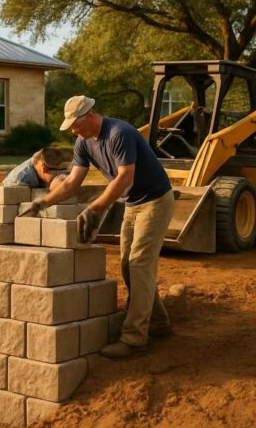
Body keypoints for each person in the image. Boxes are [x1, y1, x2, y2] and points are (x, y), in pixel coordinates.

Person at [19, 95, 174, 358]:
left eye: (76, 125)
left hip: (156, 202)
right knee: (128, 265)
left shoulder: (119, 133)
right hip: (133, 204)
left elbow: (125, 177)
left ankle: (134, 338)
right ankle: (157, 322)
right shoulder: (84, 142)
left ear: (90, 115)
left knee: (139, 264)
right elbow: (71, 183)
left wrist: (94, 209)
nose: (74, 131)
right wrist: (41, 204)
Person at [0, 147, 70, 189]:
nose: (62, 175)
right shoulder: (20, 180)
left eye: (64, 171)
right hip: (11, 183)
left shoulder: (45, 160)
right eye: (59, 173)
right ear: (44, 168)